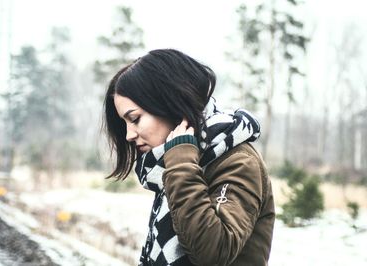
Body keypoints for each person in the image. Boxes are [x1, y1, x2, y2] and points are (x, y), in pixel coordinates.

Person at [103, 49, 275, 266]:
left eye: (135, 119)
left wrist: (181, 163)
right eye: (125, 123)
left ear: (168, 103)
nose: (129, 135)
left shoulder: (236, 160)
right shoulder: (181, 160)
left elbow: (213, 252)